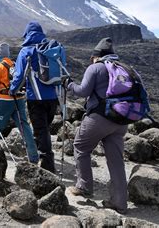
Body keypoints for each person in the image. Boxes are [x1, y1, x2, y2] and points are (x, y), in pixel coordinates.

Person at [64, 37, 128, 214]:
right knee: (115, 160)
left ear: (96, 55)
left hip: (100, 118)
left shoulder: (96, 67)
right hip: (122, 120)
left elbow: (82, 91)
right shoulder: (123, 68)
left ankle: (84, 186)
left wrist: (69, 84)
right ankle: (120, 203)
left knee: (80, 146)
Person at [9, 21, 59, 173]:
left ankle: (47, 167)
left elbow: (18, 76)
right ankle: (39, 156)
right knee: (44, 129)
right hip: (53, 97)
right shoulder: (51, 49)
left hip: (36, 98)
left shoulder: (26, 51)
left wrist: (12, 90)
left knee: (40, 130)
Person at [0, 43, 39, 163]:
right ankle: (34, 156)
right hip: (19, 99)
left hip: (5, 100)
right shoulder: (15, 64)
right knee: (24, 126)